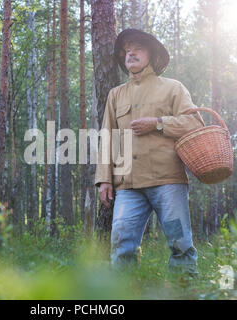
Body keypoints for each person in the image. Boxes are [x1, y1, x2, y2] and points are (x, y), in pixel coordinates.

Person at [94, 29, 205, 275]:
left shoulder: (173, 88)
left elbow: (195, 124)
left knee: (181, 244)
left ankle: (184, 290)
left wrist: (158, 123)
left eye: (137, 48)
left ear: (152, 55)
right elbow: (107, 137)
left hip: (168, 181)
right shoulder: (115, 95)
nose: (130, 52)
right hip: (127, 186)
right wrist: (104, 179)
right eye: (126, 50)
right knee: (121, 247)